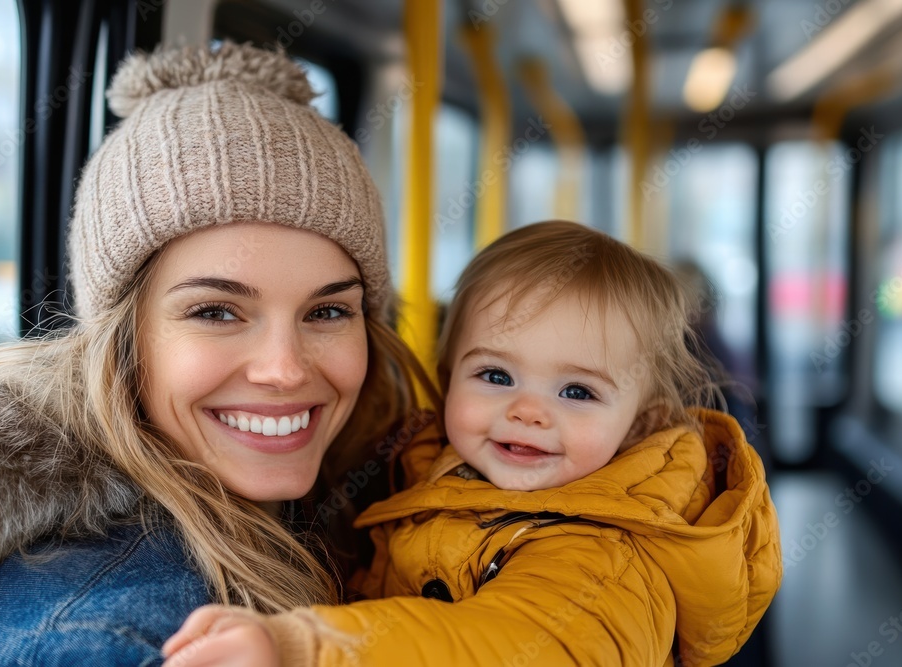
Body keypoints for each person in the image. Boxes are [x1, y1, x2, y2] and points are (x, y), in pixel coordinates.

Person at [0, 42, 431, 665]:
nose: (285, 369)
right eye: (216, 312)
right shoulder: (100, 636)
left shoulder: (367, 502)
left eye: (327, 312)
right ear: (123, 340)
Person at [162, 221, 783, 667]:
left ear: (640, 424)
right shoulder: (429, 466)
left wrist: (303, 648)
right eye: (495, 376)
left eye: (577, 392)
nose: (527, 411)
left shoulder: (607, 551)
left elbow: (515, 645)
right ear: (448, 377)